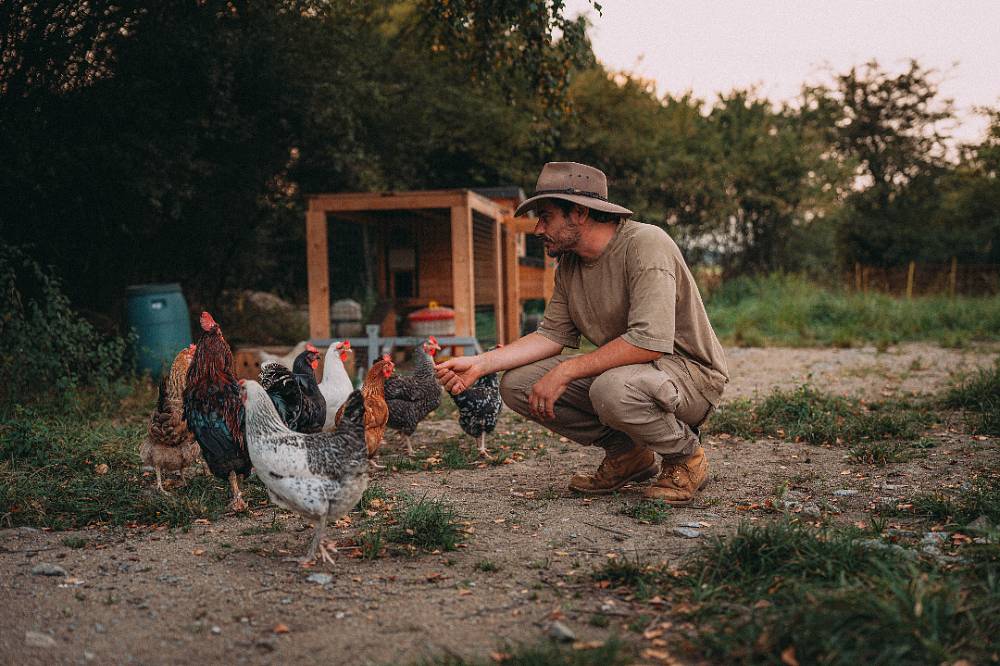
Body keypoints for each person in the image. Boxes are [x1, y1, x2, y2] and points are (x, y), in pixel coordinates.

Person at [436, 162, 728, 505]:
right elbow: (550, 335)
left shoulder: (645, 244)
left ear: (579, 212)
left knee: (611, 389)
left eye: (546, 217)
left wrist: (567, 370)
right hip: (633, 375)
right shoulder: (569, 265)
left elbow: (648, 343)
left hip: (691, 377)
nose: (538, 229)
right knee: (517, 384)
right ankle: (628, 454)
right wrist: (481, 364)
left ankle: (686, 457)